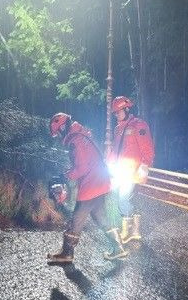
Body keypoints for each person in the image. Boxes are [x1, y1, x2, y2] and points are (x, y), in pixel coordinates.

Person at [47, 113, 128, 263]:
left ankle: (67, 253)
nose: (58, 136)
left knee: (76, 219)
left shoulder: (76, 141)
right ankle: (119, 248)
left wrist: (65, 176)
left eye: (58, 132)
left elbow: (82, 168)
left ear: (64, 127)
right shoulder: (81, 136)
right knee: (101, 217)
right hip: (100, 182)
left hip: (91, 185)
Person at [107, 96, 154, 244]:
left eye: (118, 112)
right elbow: (116, 149)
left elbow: (147, 147)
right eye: (114, 113)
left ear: (127, 109)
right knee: (122, 199)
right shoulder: (118, 129)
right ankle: (135, 231)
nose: (116, 115)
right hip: (120, 170)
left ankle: (127, 232)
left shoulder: (138, 125)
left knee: (122, 199)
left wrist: (145, 165)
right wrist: (108, 162)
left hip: (132, 170)